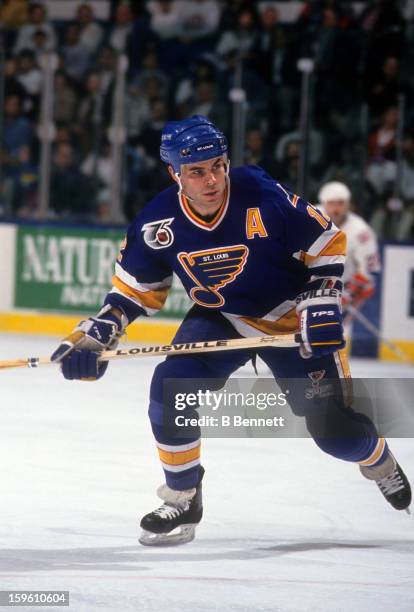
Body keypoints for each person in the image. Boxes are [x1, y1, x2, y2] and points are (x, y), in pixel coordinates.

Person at [51, 116, 411, 546]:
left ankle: (379, 459)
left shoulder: (261, 192)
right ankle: (184, 496)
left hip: (291, 318)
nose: (212, 179)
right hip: (223, 317)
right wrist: (100, 332)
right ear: (175, 174)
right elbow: (134, 291)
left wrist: (321, 298)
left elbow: (326, 241)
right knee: (170, 389)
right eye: (197, 172)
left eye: (218, 165)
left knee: (334, 433)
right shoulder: (156, 224)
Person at [317, 181, 381, 337]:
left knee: (332, 335)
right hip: (310, 284)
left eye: (341, 203)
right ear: (323, 203)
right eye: (331, 203)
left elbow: (370, 271)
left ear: (348, 204)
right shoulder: (308, 217)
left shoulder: (360, 231)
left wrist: (350, 293)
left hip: (344, 287)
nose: (336, 208)